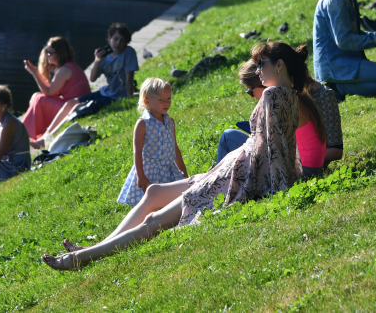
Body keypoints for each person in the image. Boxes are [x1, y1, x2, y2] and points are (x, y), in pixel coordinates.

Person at [43, 42, 309, 270]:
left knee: (155, 220)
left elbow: (273, 150)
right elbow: (284, 147)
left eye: (262, 64)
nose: (259, 70)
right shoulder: (291, 95)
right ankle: (94, 247)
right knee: (154, 192)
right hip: (233, 169)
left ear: (281, 65)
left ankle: (80, 258)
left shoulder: (273, 95)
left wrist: (279, 191)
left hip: (237, 175)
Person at [216, 59, 339, 180]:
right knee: (232, 139)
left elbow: (278, 150)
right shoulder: (294, 95)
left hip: (295, 168)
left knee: (229, 137)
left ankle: (217, 184)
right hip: (298, 163)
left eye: (250, 91)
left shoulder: (285, 100)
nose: (252, 97)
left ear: (264, 83)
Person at [34, 22, 139, 148]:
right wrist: (97, 61)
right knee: (70, 103)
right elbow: (93, 78)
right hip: (105, 92)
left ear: (126, 43)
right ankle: (46, 136)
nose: (118, 43)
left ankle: (48, 139)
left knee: (76, 109)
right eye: (115, 39)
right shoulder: (104, 57)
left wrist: (128, 99)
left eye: (122, 41)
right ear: (108, 39)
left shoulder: (129, 53)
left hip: (115, 97)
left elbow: (129, 78)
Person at [117, 78, 189, 206]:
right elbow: (138, 151)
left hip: (168, 169)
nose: (166, 103)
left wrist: (182, 169)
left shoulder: (170, 121)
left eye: (169, 99)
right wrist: (140, 175)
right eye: (161, 99)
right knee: (150, 202)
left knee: (175, 200)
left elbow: (174, 147)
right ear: (147, 101)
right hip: (150, 170)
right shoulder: (143, 123)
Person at [20, 36, 91, 141]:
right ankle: (33, 132)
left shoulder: (64, 70)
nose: (46, 55)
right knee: (36, 96)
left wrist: (35, 73)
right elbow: (52, 91)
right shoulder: (65, 67)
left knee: (40, 99)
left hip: (75, 108)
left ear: (59, 53)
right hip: (72, 104)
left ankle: (22, 133)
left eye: (49, 53)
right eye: (46, 52)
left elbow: (49, 92)